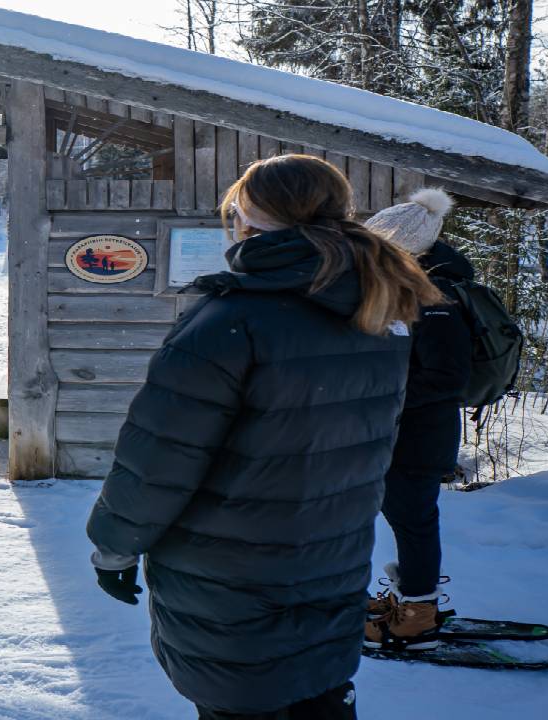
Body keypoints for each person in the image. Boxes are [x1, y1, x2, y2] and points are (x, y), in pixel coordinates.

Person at [86, 154, 446, 720]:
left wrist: (115, 543)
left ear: (250, 216)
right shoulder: (378, 308)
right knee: (320, 700)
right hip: (331, 563)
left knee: (249, 701)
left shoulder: (232, 320)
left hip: (230, 580)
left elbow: (159, 457)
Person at [361, 189, 472, 650]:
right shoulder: (414, 290)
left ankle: (419, 614)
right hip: (404, 432)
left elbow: (448, 377)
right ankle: (409, 599)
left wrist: (387, 397)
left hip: (421, 437)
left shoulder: (438, 299)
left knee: (413, 520)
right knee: (404, 517)